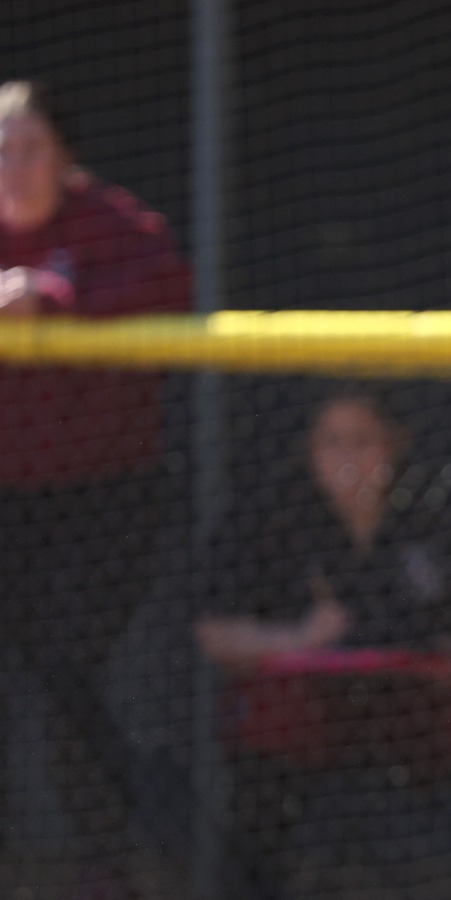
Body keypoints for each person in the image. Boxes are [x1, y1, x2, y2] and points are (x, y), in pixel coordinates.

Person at [195, 384, 451, 900]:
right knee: (270, 718)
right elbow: (215, 636)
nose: (347, 457)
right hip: (316, 705)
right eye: (332, 442)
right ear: (309, 450)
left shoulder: (441, 518)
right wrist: (300, 638)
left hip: (419, 703)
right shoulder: (271, 523)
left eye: (362, 441)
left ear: (393, 445)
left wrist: (447, 648)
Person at [0, 78, 192, 895]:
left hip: (102, 498)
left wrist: (55, 300)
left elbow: (171, 292)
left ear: (65, 154)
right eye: (0, 150)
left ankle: (109, 871)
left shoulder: (113, 225)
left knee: (67, 672)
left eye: (31, 145)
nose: (14, 163)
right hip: (8, 504)